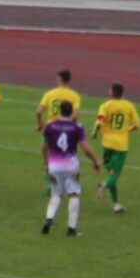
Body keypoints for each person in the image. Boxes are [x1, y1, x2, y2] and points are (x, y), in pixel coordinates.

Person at [40, 100, 89, 236]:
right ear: (72, 111)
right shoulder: (77, 127)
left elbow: (43, 148)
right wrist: (95, 160)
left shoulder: (50, 126)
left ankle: (49, 219)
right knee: (73, 194)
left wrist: (46, 164)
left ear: (59, 111)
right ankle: (71, 229)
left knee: (56, 194)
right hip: (71, 165)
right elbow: (85, 149)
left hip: (54, 165)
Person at [94, 82, 140, 214]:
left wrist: (95, 131)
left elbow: (100, 121)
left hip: (107, 144)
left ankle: (116, 204)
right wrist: (128, 130)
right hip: (121, 145)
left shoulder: (105, 105)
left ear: (112, 92)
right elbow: (137, 125)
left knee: (111, 174)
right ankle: (104, 185)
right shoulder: (129, 106)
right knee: (114, 175)